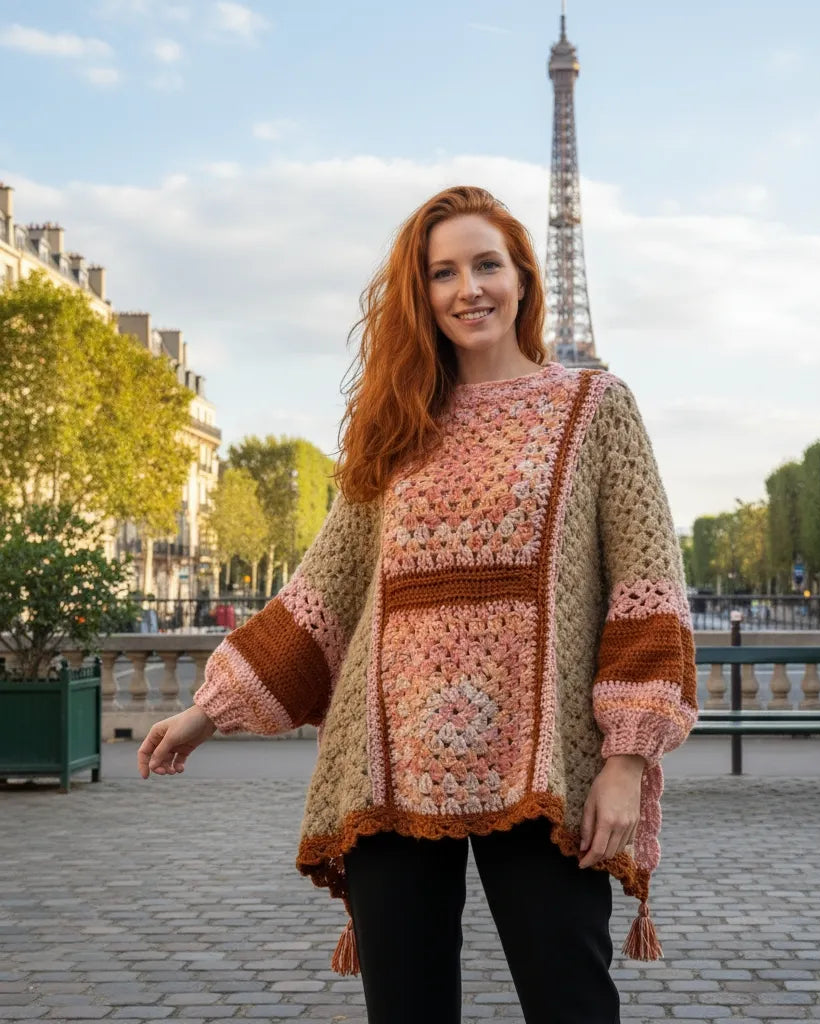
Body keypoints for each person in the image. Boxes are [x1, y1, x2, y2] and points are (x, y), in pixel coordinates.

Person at [138, 185, 698, 1024]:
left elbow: (645, 590)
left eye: (486, 265)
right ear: (421, 294)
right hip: (388, 764)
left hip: (542, 763)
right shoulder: (394, 426)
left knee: (571, 1002)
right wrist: (207, 712)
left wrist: (626, 759)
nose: (467, 288)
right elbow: (324, 589)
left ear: (523, 279)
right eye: (443, 273)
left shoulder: (594, 407)